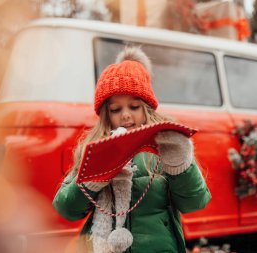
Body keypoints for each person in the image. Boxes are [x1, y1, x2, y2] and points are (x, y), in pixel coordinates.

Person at [52, 47, 211, 253]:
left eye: (134, 107)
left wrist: (180, 165)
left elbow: (195, 203)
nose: (125, 115)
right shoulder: (95, 148)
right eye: (116, 109)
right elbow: (66, 209)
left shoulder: (166, 144)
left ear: (147, 108)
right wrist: (92, 178)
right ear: (105, 114)